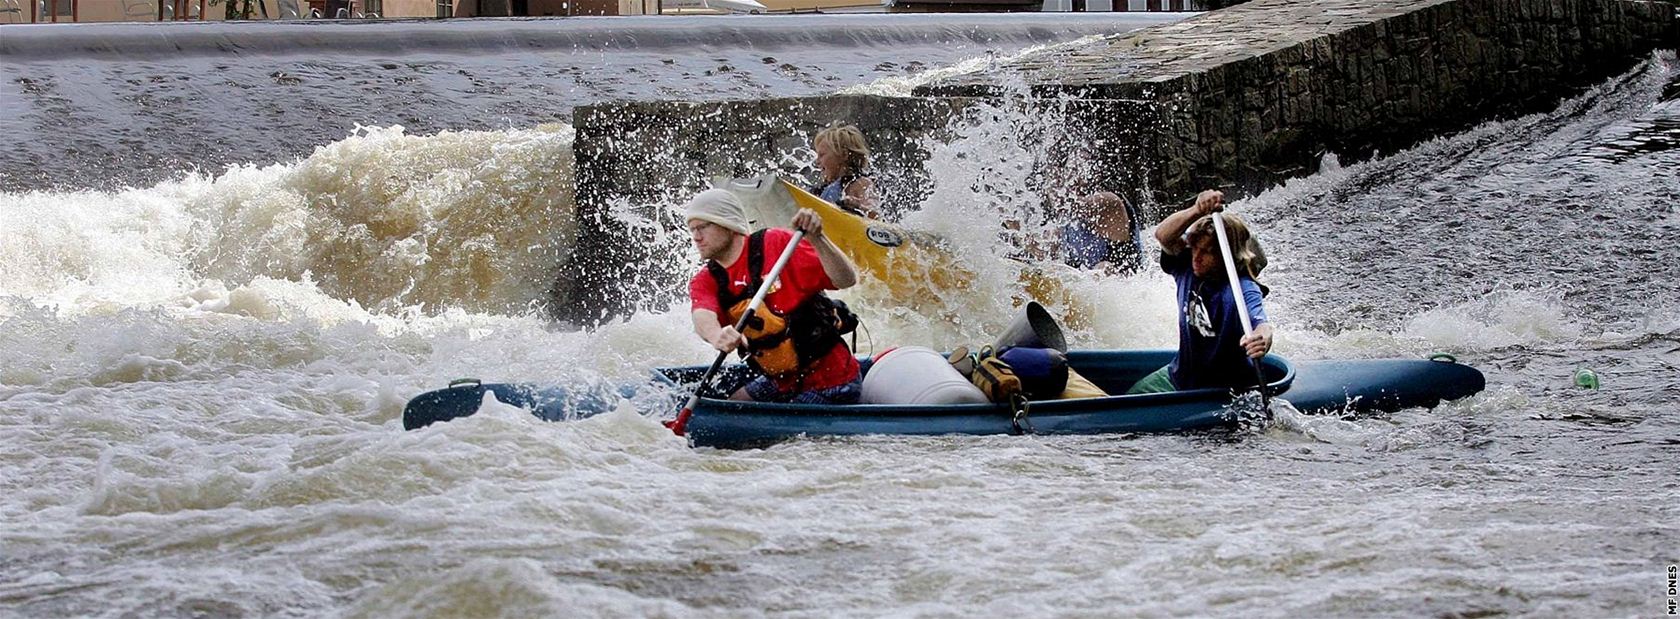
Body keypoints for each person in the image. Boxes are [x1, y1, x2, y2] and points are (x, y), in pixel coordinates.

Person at [684, 188, 864, 404]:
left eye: (703, 227)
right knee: (735, 402)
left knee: (773, 431)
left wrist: (819, 238)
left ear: (728, 224)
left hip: (833, 382)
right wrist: (716, 336)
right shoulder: (707, 279)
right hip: (781, 379)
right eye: (692, 230)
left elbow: (846, 279)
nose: (696, 237)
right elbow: (702, 316)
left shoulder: (777, 244)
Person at [1126, 189, 1274, 394]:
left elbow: (1262, 326)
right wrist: (1197, 210)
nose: (1196, 257)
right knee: (1132, 396)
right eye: (1195, 248)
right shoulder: (1186, 265)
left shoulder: (1242, 289)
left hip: (1224, 388)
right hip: (1180, 375)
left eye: (1206, 252)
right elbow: (1163, 235)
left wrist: (1261, 340)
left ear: (1225, 256)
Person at [1056, 190, 1145, 275]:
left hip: (1122, 280)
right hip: (1086, 278)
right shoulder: (1060, 222)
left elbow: (1124, 266)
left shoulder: (1104, 201)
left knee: (1103, 268)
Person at [810, 123, 880, 219]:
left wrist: (857, 205)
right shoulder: (821, 190)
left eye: (822, 155)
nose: (817, 161)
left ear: (844, 155)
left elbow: (875, 214)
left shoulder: (861, 183)